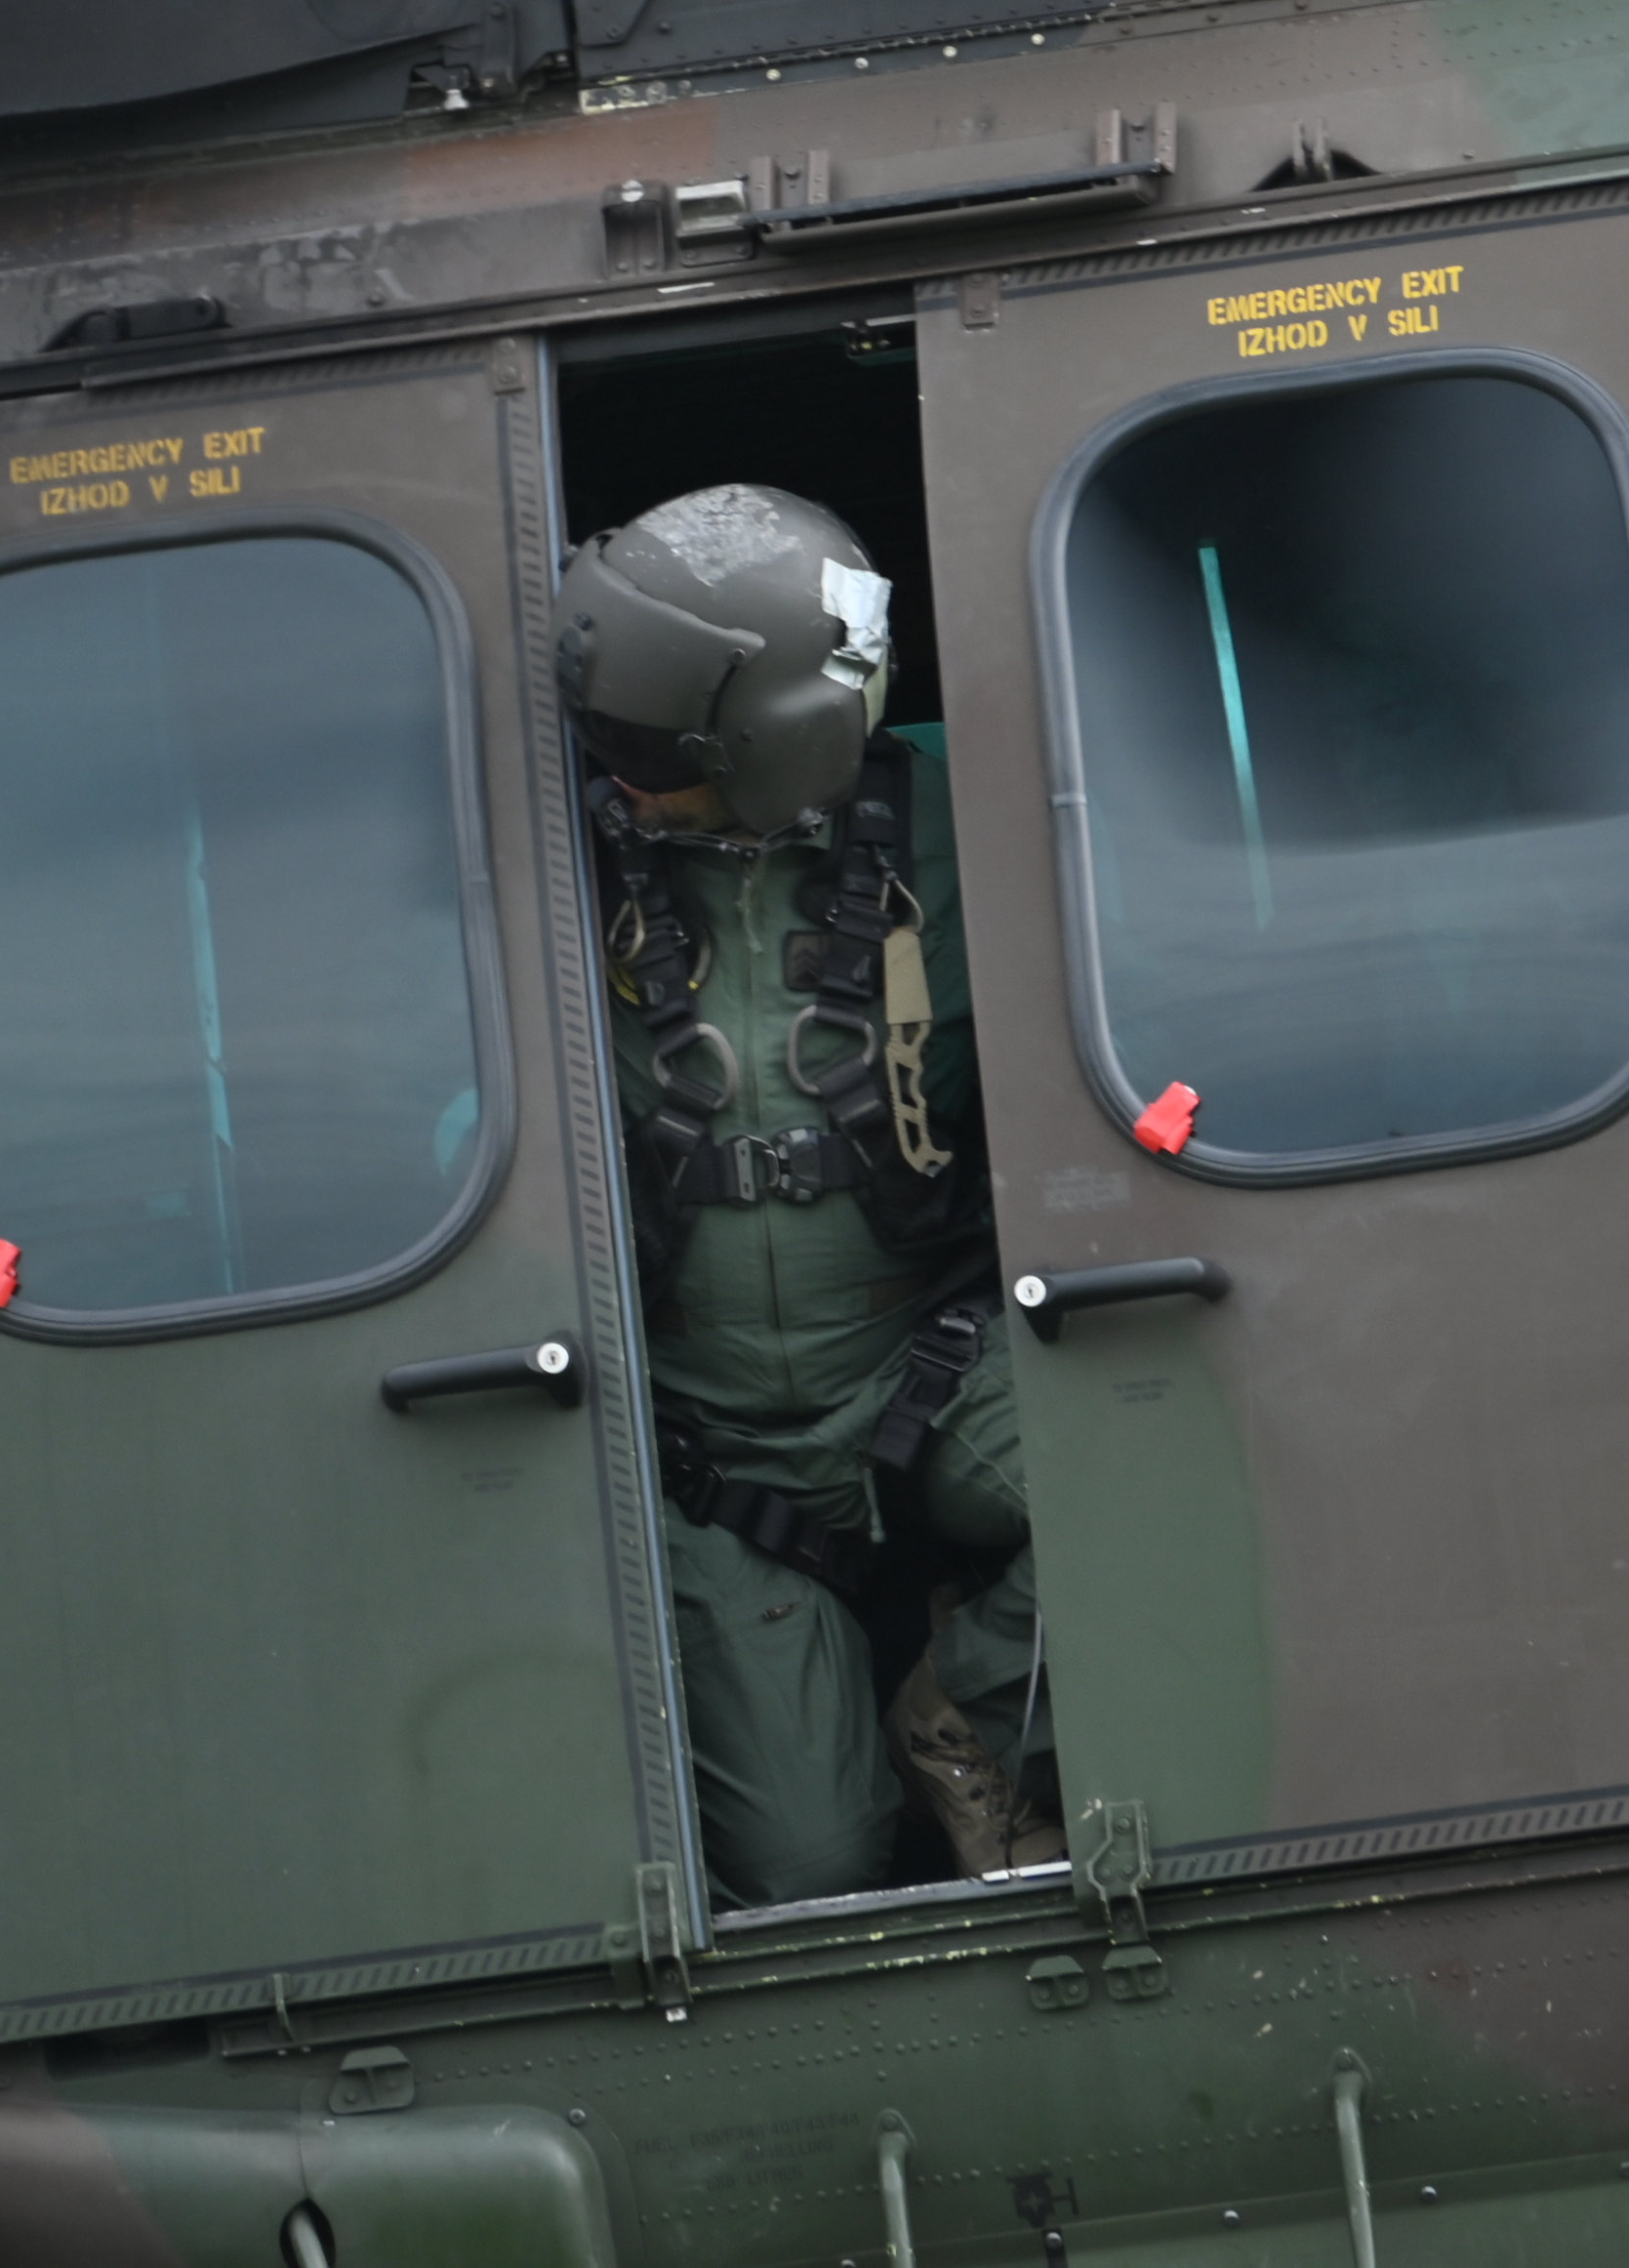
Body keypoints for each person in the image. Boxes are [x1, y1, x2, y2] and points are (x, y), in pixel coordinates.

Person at [555, 483, 1062, 1910]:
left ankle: (966, 1692)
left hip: (940, 1370)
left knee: (1172, 1450)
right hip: (708, 1450)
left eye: (655, 752)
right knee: (811, 1866)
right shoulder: (555, 858)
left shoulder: (987, 823)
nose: (619, 778)